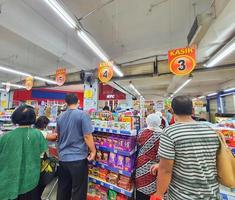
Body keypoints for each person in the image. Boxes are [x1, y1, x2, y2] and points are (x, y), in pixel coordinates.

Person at [150, 96, 220, 200]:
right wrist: (161, 164)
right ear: (192, 110)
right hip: (212, 193)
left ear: (172, 110)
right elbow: (198, 156)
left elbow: (165, 170)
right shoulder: (211, 130)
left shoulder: (170, 132)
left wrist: (159, 194)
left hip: (183, 195)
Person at [0, 105, 48, 200]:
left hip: (9, 177)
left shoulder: (6, 137)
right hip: (31, 177)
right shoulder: (37, 134)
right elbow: (42, 153)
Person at [56, 93, 96, 200]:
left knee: (63, 188)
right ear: (78, 101)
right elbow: (87, 136)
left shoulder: (60, 117)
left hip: (63, 159)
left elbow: (58, 136)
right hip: (78, 159)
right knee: (78, 190)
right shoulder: (83, 115)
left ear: (66, 103)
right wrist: (93, 151)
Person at [135, 113, 163, 200]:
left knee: (141, 185)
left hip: (141, 163)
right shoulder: (163, 135)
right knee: (154, 187)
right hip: (155, 166)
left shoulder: (141, 132)